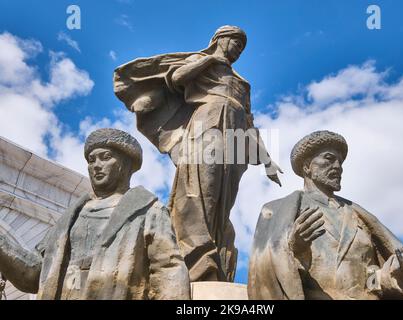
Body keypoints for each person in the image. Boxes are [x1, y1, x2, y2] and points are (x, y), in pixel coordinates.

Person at [114, 25, 282, 282]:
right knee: (200, 189)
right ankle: (197, 263)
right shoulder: (201, 61)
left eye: (242, 47)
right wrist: (210, 59)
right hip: (208, 124)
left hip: (235, 137)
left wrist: (267, 160)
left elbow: (249, 123)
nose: (238, 50)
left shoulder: (242, 84)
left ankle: (216, 261)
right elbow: (177, 78)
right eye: (236, 43)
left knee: (223, 201)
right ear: (220, 39)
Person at [0, 128, 190, 300]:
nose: (96, 165)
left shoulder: (149, 211)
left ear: (125, 163)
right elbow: (33, 275)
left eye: (105, 157)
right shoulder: (71, 218)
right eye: (92, 160)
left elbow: (169, 271)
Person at [248, 130, 403, 300]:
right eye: (329, 159)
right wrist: (294, 249)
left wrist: (397, 272)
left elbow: (371, 277)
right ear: (307, 167)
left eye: (340, 162)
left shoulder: (360, 216)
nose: (338, 166)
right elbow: (264, 270)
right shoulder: (276, 210)